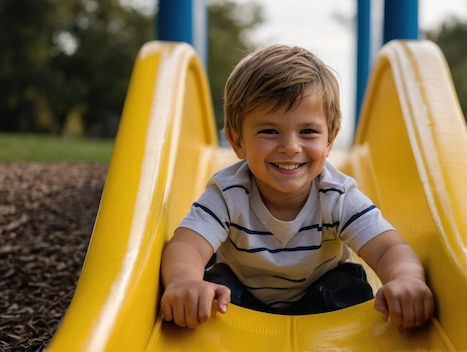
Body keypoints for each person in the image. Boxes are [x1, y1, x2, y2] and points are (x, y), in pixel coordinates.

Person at [160, 44, 434, 332]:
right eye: (269, 131)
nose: (290, 147)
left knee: (348, 287)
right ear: (237, 141)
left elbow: (389, 248)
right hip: (243, 299)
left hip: (321, 296)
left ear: (330, 140)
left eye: (308, 132)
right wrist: (186, 282)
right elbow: (187, 245)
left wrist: (406, 280)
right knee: (213, 290)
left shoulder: (337, 195)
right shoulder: (228, 193)